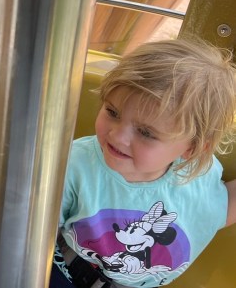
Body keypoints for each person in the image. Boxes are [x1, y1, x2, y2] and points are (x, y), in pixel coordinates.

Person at [50, 38, 236, 288]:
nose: (118, 136)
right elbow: (31, 229)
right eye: (112, 112)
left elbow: (220, 207)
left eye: (146, 133)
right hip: (68, 272)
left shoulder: (198, 180)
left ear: (191, 149)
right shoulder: (76, 165)